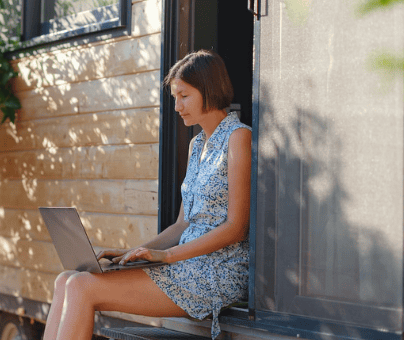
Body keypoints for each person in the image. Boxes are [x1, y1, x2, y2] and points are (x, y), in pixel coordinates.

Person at [42, 50, 251, 340]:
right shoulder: (196, 145)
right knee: (66, 279)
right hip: (183, 265)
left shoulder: (238, 137)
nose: (177, 106)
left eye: (184, 96)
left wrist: (167, 255)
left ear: (208, 89)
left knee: (80, 286)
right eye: (174, 97)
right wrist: (135, 253)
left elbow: (236, 227)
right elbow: (182, 224)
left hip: (216, 273)